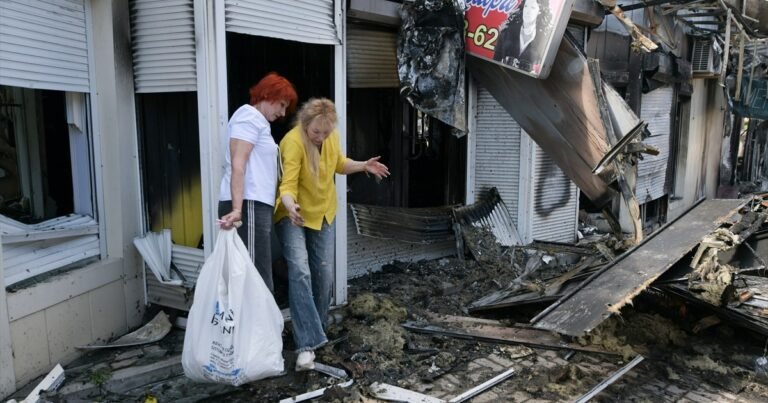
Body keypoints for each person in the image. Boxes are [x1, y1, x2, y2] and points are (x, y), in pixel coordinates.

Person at [274, 98, 390, 371]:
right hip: (294, 214)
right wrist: (291, 206)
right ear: (305, 124)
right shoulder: (292, 142)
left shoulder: (330, 136)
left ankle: (318, 334)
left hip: (324, 213)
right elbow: (287, 185)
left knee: (324, 276)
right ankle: (305, 345)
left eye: (326, 133)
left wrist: (363, 166)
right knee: (300, 272)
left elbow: (338, 163)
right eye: (316, 133)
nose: (321, 137)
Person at [218, 72, 298, 293]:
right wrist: (237, 209)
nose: (282, 113)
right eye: (281, 105)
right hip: (248, 203)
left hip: (252, 204)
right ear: (267, 94)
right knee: (256, 276)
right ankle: (259, 327)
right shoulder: (249, 116)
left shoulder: (256, 121)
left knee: (251, 273)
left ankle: (254, 326)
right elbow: (238, 163)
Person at [493, 0, 553, 75]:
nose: (527, 11)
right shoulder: (507, 32)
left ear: (539, 12)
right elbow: (495, 61)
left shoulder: (545, 40)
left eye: (533, 8)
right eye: (526, 6)